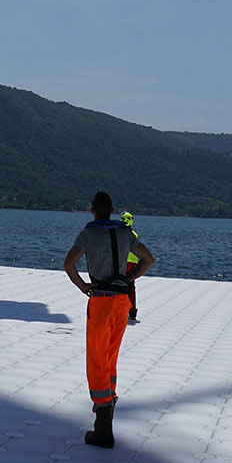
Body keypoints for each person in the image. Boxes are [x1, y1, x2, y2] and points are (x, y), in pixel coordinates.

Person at [65, 192, 154, 448]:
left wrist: (83, 287)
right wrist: (129, 278)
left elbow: (68, 264)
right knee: (111, 355)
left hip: (101, 300)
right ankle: (110, 402)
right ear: (112, 209)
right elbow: (148, 260)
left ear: (92, 211)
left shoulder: (88, 233)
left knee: (96, 357)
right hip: (121, 302)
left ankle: (103, 426)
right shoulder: (126, 233)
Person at [122, 210, 143, 323]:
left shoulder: (120, 233)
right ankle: (132, 311)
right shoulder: (134, 234)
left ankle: (122, 310)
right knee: (131, 288)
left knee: (121, 286)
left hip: (124, 263)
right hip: (133, 264)